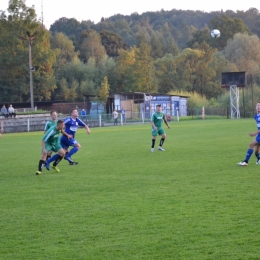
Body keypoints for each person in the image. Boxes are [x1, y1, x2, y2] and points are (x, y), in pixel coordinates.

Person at [238, 102, 260, 166]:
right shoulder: (256, 116)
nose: (259, 107)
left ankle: (246, 162)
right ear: (255, 108)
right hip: (259, 135)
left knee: (251, 144)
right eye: (257, 105)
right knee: (256, 152)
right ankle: (259, 159)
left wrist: (255, 133)